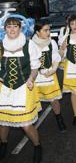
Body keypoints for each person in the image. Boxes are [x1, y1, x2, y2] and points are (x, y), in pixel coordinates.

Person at [0, 17, 42, 162]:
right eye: (9, 26)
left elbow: (35, 68)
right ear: (4, 29)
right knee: (3, 121)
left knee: (25, 124)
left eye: (15, 26)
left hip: (24, 86)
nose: (12, 29)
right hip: (4, 88)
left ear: (20, 28)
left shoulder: (29, 44)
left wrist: (31, 79)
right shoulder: (1, 45)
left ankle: (37, 146)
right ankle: (3, 144)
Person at [32, 21, 66, 132]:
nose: (48, 32)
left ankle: (59, 118)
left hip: (49, 74)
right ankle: (32, 122)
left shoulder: (52, 43)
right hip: (35, 76)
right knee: (34, 100)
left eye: (48, 30)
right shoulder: (30, 44)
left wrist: (53, 70)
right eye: (45, 30)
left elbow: (56, 58)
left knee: (54, 100)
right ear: (37, 32)